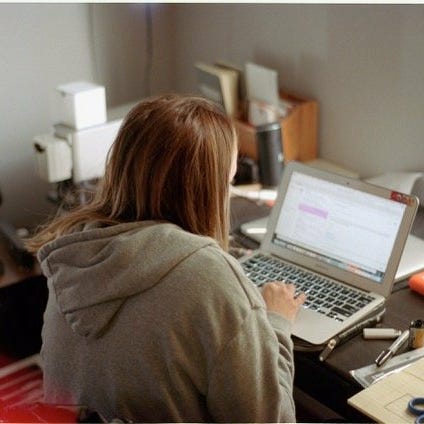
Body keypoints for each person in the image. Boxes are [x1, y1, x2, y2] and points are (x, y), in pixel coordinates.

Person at [26, 94, 306, 423]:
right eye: (227, 182)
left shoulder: (71, 255)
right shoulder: (211, 278)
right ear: (206, 189)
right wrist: (276, 323)